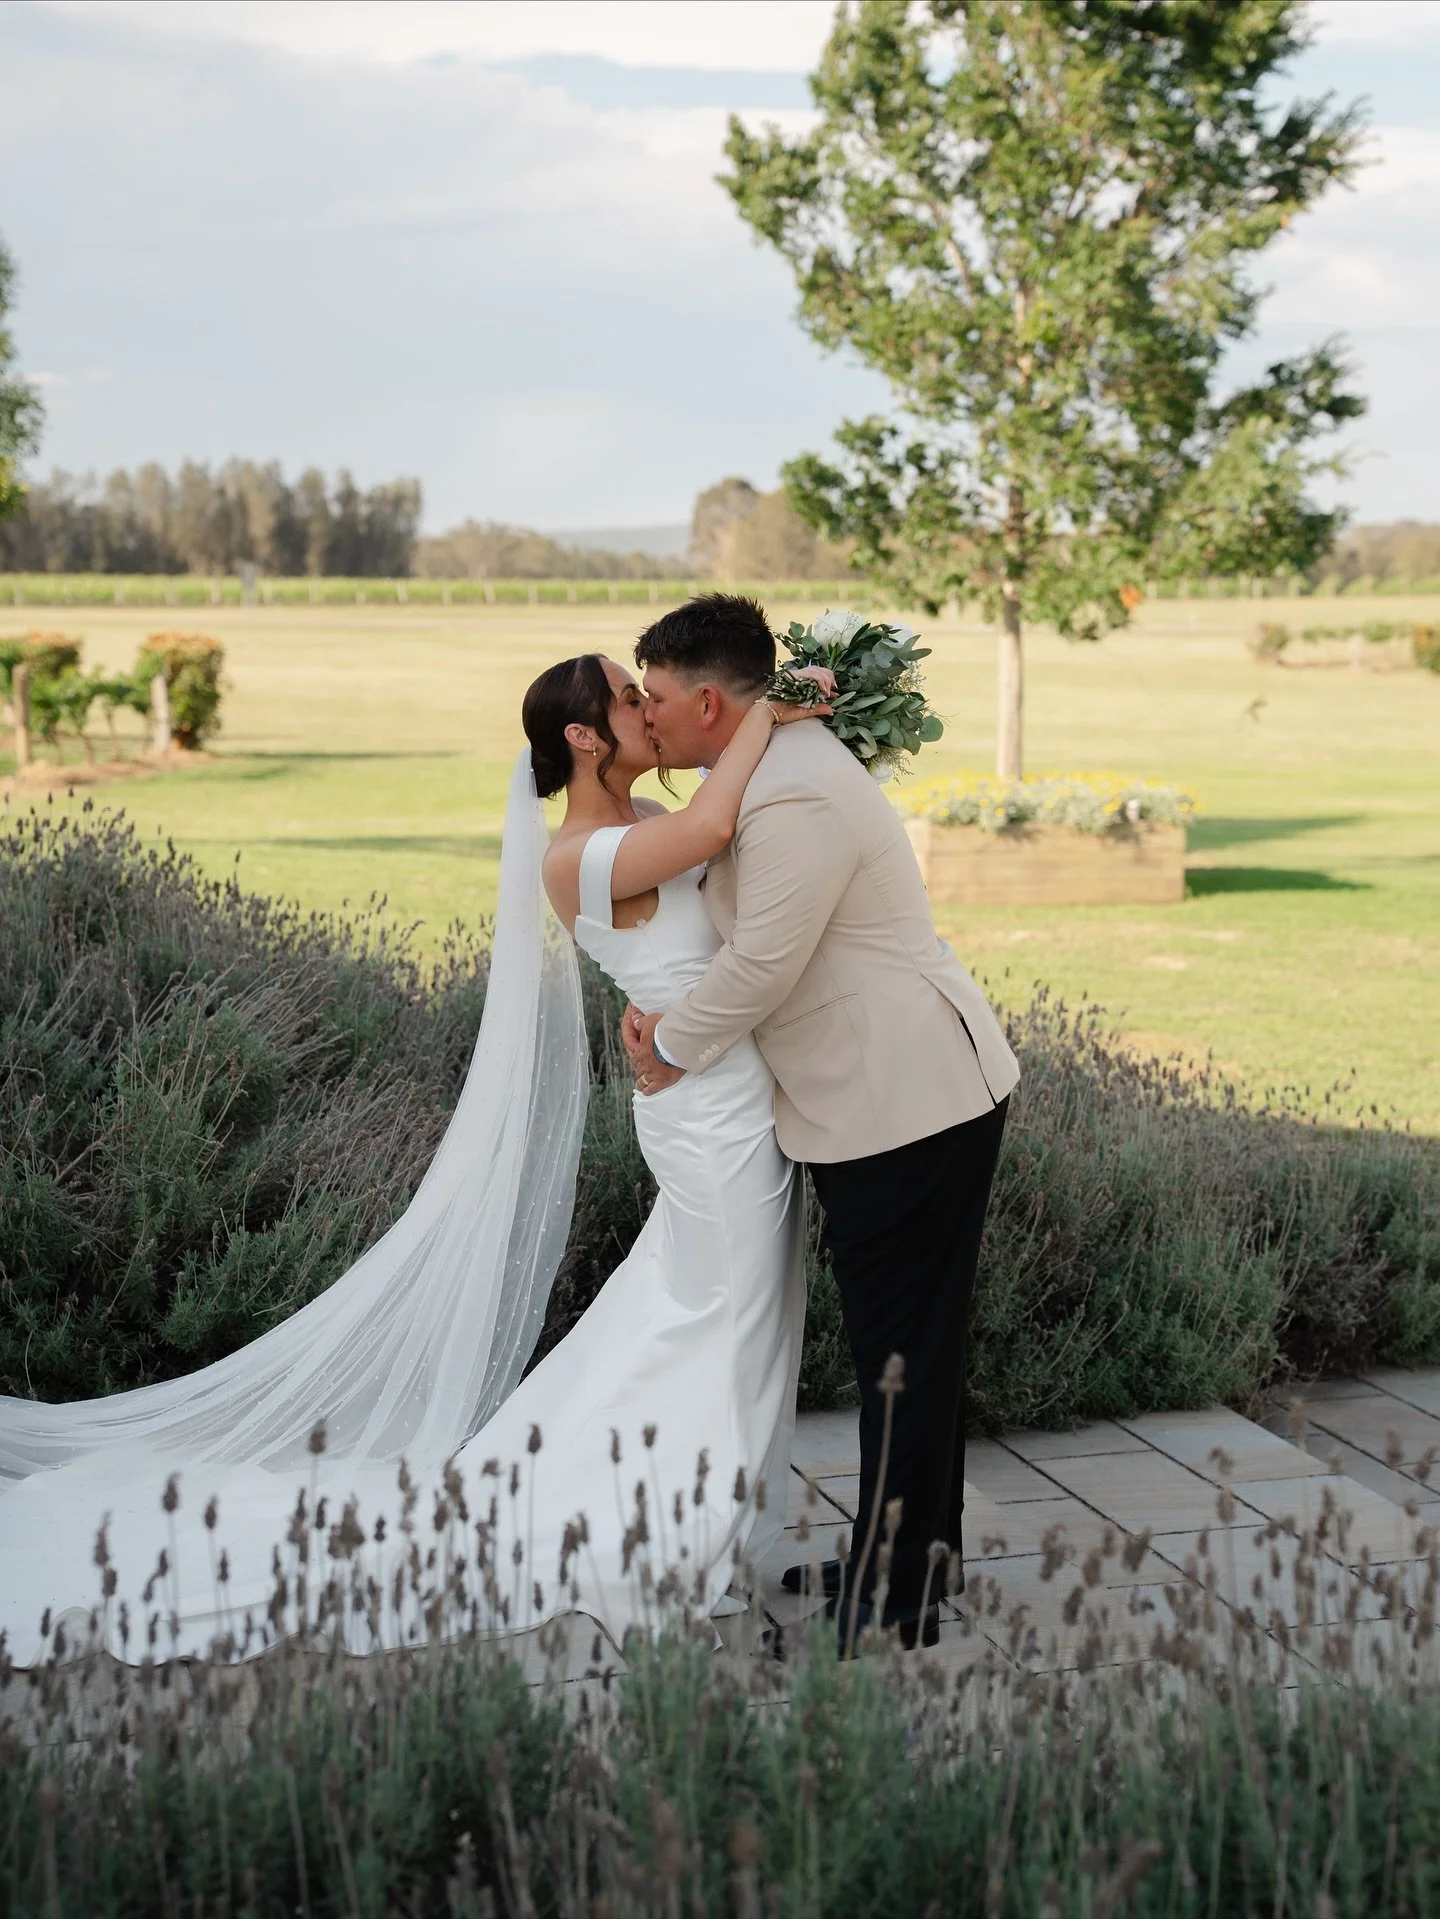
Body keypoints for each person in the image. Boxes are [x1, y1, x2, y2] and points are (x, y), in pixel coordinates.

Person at [0, 646, 830, 1664]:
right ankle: (666, 1523)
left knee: (725, 1310)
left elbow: (717, 853)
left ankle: (693, 1506)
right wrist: (774, 708)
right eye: (628, 699)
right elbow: (713, 828)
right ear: (582, 736)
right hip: (702, 1116)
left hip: (721, 1088)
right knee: (726, 1312)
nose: (647, 712)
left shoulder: (647, 818)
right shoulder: (576, 856)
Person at [624, 594, 1019, 1651]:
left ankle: (898, 1594)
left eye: (656, 696)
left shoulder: (792, 790)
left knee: (904, 1355)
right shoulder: (766, 762)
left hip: (908, 1099)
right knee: (910, 1347)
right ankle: (911, 1559)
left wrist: (668, 1044)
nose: (647, 714)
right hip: (882, 1096)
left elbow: (764, 961)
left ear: (710, 703)